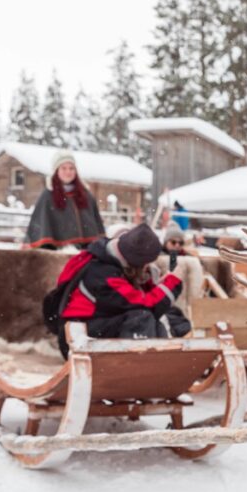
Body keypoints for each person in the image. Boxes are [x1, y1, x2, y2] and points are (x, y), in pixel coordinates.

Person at [50, 223, 186, 357]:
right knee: (141, 318)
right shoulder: (104, 275)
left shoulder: (112, 261)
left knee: (166, 316)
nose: (148, 267)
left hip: (95, 327)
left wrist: (159, 285)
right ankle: (138, 364)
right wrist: (172, 283)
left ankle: (159, 361)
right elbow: (147, 304)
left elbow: (138, 298)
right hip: (76, 340)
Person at [25, 151, 105, 249]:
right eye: (64, 168)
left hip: (86, 251)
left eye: (71, 168)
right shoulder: (48, 195)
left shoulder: (85, 195)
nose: (68, 172)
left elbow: (96, 223)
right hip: (57, 252)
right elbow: (41, 225)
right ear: (56, 171)